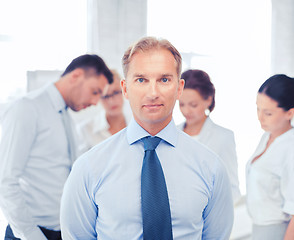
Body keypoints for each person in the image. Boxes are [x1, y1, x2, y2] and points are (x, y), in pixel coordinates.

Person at [60, 37, 234, 239]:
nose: (153, 93)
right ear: (125, 88)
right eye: (141, 80)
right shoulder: (89, 168)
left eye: (164, 80)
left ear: (179, 88)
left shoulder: (211, 168)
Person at [0, 54, 113, 240]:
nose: (96, 102)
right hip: (32, 233)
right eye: (95, 91)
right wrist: (32, 235)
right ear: (76, 76)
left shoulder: (65, 116)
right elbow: (4, 183)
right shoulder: (27, 109)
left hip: (61, 231)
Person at [246, 74, 294, 239]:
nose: (259, 117)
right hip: (257, 231)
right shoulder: (268, 136)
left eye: (268, 113)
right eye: (257, 108)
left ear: (289, 113)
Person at [178, 69, 241, 203]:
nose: (186, 111)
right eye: (181, 104)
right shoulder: (172, 133)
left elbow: (232, 188)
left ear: (208, 100)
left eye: (193, 105)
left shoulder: (223, 137)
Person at [78, 69, 131, 150]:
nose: (111, 101)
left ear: (124, 89)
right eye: (105, 96)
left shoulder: (138, 123)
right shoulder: (85, 130)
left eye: (116, 92)